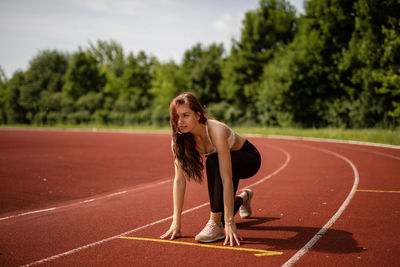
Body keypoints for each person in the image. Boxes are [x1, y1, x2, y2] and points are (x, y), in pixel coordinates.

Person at [160, 92, 261, 247]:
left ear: (198, 115)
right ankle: (244, 197)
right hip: (223, 164)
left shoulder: (216, 130)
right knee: (222, 212)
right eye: (176, 116)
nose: (180, 121)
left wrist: (230, 222)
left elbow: (226, 179)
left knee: (212, 163)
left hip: (248, 160)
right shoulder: (178, 140)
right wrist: (176, 222)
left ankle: (215, 224)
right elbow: (179, 181)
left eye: (186, 115)